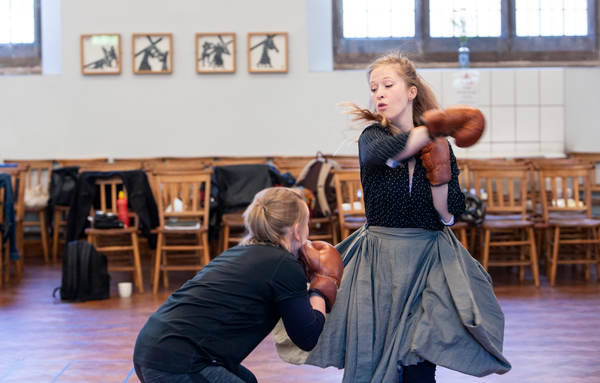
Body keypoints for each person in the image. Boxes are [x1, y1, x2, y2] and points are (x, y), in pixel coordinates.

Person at [274, 51, 511, 382]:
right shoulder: (373, 137)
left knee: (420, 365)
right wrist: (431, 131)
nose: (379, 93)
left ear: (411, 91)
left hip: (430, 260)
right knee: (373, 360)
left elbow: (448, 216)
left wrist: (440, 174)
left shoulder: (440, 144)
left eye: (388, 84)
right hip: (380, 264)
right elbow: (387, 152)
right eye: (374, 88)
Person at [133, 187, 343, 383]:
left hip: (149, 349)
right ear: (297, 231)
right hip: (177, 363)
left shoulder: (237, 252)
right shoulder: (284, 264)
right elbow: (307, 337)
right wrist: (323, 284)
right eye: (307, 224)